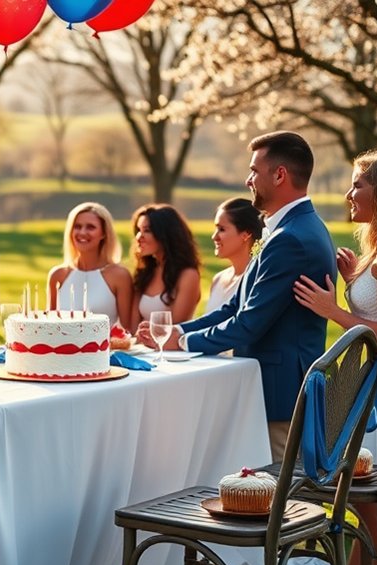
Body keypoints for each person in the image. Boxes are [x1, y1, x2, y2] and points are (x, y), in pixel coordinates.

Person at [138, 131, 336, 463]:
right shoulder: (290, 229)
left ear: (280, 175)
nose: (248, 180)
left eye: (254, 171)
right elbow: (235, 306)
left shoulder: (290, 238)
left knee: (281, 487)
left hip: (281, 393)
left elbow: (248, 324)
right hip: (273, 387)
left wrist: (182, 343)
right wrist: (180, 331)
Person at [292, 151, 377, 565]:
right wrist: (357, 281)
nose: (349, 194)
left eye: (358, 185)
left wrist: (331, 309)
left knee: (367, 499)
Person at [47, 202, 132, 328]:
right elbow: (49, 326)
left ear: (104, 233)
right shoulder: (58, 275)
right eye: (77, 226)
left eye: (90, 227)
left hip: (107, 341)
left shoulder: (120, 275)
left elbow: (127, 330)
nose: (82, 232)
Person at [130, 204, 200, 326]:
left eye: (147, 230)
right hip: (140, 339)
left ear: (166, 234)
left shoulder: (188, 275)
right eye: (138, 230)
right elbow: (133, 327)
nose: (139, 237)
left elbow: (176, 327)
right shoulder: (145, 272)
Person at [206, 198, 263, 313]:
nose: (214, 237)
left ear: (246, 235)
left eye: (222, 229)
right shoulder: (218, 279)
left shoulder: (257, 281)